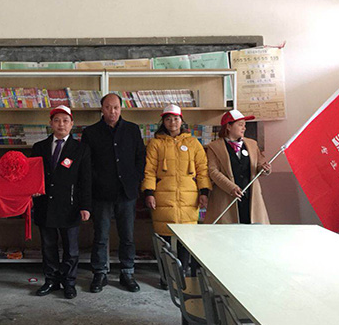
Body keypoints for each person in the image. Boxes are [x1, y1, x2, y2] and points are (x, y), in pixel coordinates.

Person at [81, 93, 146, 293]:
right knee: (100, 235)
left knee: (127, 236)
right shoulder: (90, 132)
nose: (112, 111)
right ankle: (100, 273)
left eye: (116, 107)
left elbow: (140, 158)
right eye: (108, 107)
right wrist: (96, 183)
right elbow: (87, 164)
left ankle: (127, 272)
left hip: (127, 192)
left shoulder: (132, 130)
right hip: (101, 193)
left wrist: (135, 179)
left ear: (121, 108)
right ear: (102, 109)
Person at [141, 104, 211, 276]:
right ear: (163, 122)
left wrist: (204, 192)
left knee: (185, 239)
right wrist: (149, 193)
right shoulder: (155, 144)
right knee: (164, 238)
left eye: (176, 119)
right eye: (168, 119)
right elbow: (149, 170)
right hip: (163, 197)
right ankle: (166, 275)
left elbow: (202, 169)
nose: (172, 122)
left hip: (189, 198)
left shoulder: (193, 143)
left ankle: (182, 274)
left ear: (181, 121)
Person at [31, 105, 91, 300]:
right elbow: (32, 175)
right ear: (51, 123)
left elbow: (85, 180)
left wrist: (85, 206)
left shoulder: (80, 149)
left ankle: (69, 282)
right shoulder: (39, 147)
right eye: (57, 120)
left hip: (70, 206)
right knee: (48, 246)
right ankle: (51, 280)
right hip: (45, 205)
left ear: (72, 124)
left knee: (71, 249)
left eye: (65, 120)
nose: (61, 124)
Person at [204, 109, 271, 225]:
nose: (244, 128)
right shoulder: (214, 147)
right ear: (228, 126)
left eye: (244, 125)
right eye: (240, 125)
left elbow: (259, 164)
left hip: (250, 196)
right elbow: (213, 171)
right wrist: (231, 187)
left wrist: (265, 169)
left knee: (252, 229)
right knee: (228, 231)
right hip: (226, 197)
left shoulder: (252, 144)